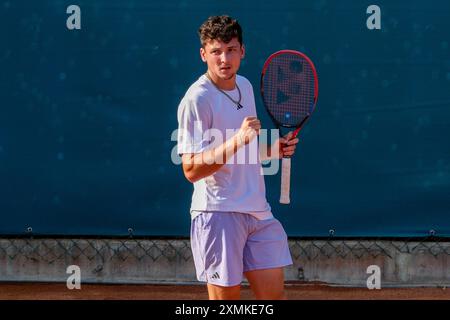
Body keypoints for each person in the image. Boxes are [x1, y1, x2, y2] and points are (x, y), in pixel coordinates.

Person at [176, 15, 299, 300]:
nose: (224, 58)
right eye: (216, 51)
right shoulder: (196, 100)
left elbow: (246, 149)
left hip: (258, 212)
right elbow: (191, 169)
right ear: (203, 54)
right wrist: (236, 140)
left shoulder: (244, 86)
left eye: (231, 49)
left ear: (242, 51)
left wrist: (273, 149)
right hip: (219, 214)